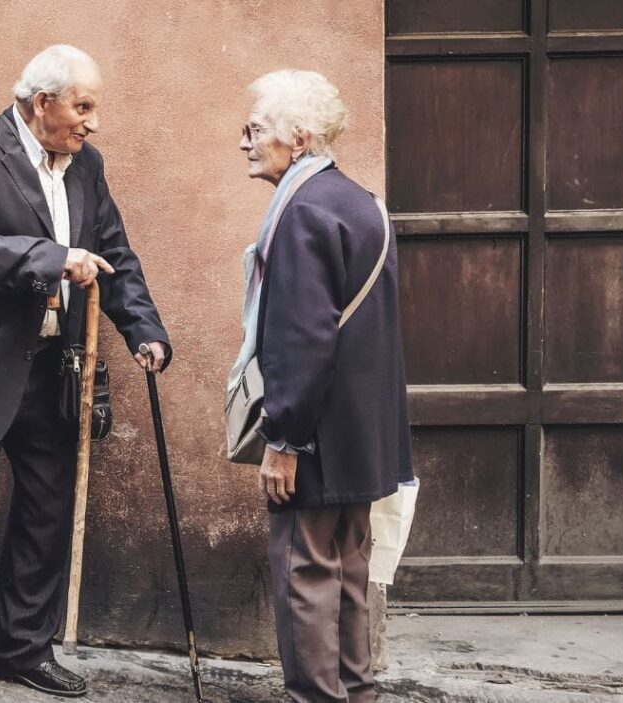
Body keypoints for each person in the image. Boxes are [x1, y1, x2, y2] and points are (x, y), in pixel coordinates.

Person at [0, 45, 171, 703]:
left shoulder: (88, 166)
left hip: (52, 369)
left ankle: (23, 648)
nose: (92, 122)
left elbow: (115, 255)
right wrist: (51, 257)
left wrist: (145, 330)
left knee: (46, 514)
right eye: (83, 105)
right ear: (42, 102)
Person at [228, 69, 414, 702]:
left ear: (299, 138)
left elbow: (304, 339)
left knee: (305, 574)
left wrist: (283, 440)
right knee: (352, 576)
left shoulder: (303, 211)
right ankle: (356, 694)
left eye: (256, 129)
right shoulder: (357, 201)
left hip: (316, 437)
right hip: (360, 435)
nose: (244, 140)